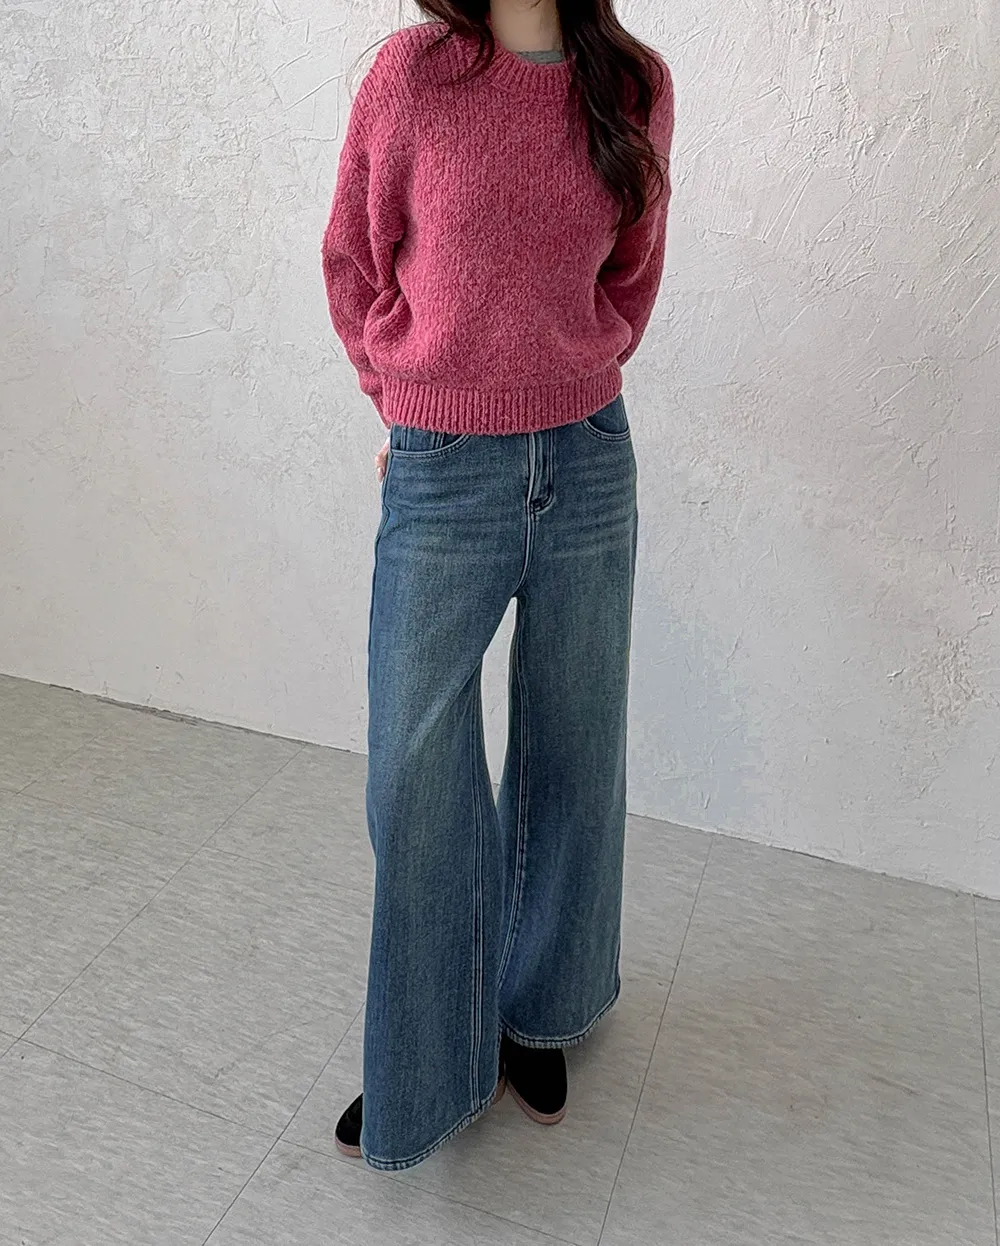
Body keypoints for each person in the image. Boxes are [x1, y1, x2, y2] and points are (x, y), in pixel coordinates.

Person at [320, 0, 674, 1173]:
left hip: (588, 456)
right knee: (414, 771)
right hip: (444, 467)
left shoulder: (632, 83)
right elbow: (354, 257)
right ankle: (428, 1053)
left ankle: (542, 1009)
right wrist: (405, 406)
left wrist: (567, 375)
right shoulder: (413, 74)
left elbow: (631, 276)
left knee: (576, 744)